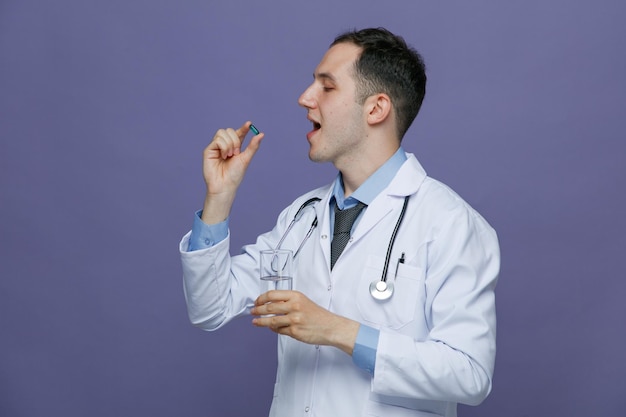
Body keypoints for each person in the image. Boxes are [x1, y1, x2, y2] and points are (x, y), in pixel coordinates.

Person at [179, 27, 500, 417]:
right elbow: (210, 308)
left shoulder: (450, 223)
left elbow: (470, 373)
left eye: (326, 87)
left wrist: (337, 330)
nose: (304, 98)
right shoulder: (301, 217)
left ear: (376, 109)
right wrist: (218, 198)